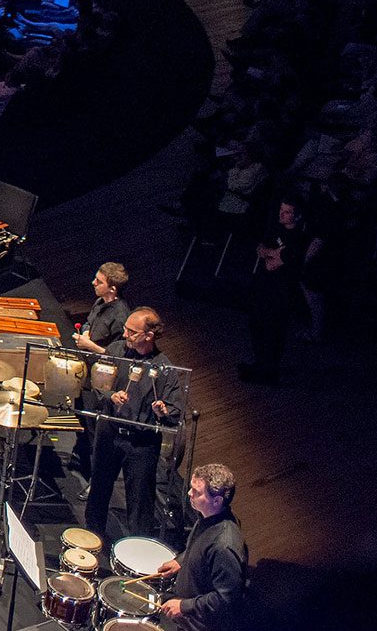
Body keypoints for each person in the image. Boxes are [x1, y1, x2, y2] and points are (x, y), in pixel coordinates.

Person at [83, 306, 181, 542]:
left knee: (140, 502)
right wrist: (110, 395)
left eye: (132, 332)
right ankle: (91, 538)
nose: (125, 334)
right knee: (99, 490)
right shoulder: (116, 350)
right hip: (110, 433)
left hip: (141, 444)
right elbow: (97, 385)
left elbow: (175, 411)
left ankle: (137, 549)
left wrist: (163, 411)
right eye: (126, 329)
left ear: (149, 336)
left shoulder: (164, 369)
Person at [153, 463, 249, 631]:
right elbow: (200, 546)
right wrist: (180, 561)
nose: (189, 493)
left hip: (197, 624)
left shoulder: (223, 546)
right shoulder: (208, 516)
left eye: (197, 492)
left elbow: (226, 599)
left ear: (217, 501)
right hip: (185, 608)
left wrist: (184, 606)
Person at [240, 199, 318, 384]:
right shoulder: (276, 229)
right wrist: (273, 252)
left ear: (297, 216)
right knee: (257, 324)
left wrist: (271, 253)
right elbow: (261, 250)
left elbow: (275, 263)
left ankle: (269, 371)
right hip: (263, 286)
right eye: (281, 209)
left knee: (273, 330)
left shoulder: (299, 238)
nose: (281, 214)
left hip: (281, 291)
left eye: (287, 211)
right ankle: (259, 364)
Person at [73, 262, 131, 354]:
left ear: (112, 289)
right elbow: (89, 323)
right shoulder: (100, 301)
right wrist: (86, 333)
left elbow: (117, 355)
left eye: (99, 282)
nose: (93, 282)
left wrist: (89, 345)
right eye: (95, 278)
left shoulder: (120, 317)